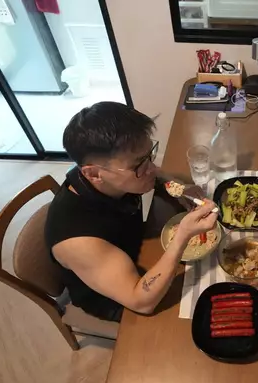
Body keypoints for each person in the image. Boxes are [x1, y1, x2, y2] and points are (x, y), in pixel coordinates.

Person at [45, 102, 217, 321]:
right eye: (139, 166)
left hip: (138, 251)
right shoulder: (78, 241)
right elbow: (141, 302)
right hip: (121, 299)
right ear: (94, 174)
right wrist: (182, 236)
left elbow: (154, 174)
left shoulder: (101, 176)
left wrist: (178, 188)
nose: (153, 169)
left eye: (149, 156)